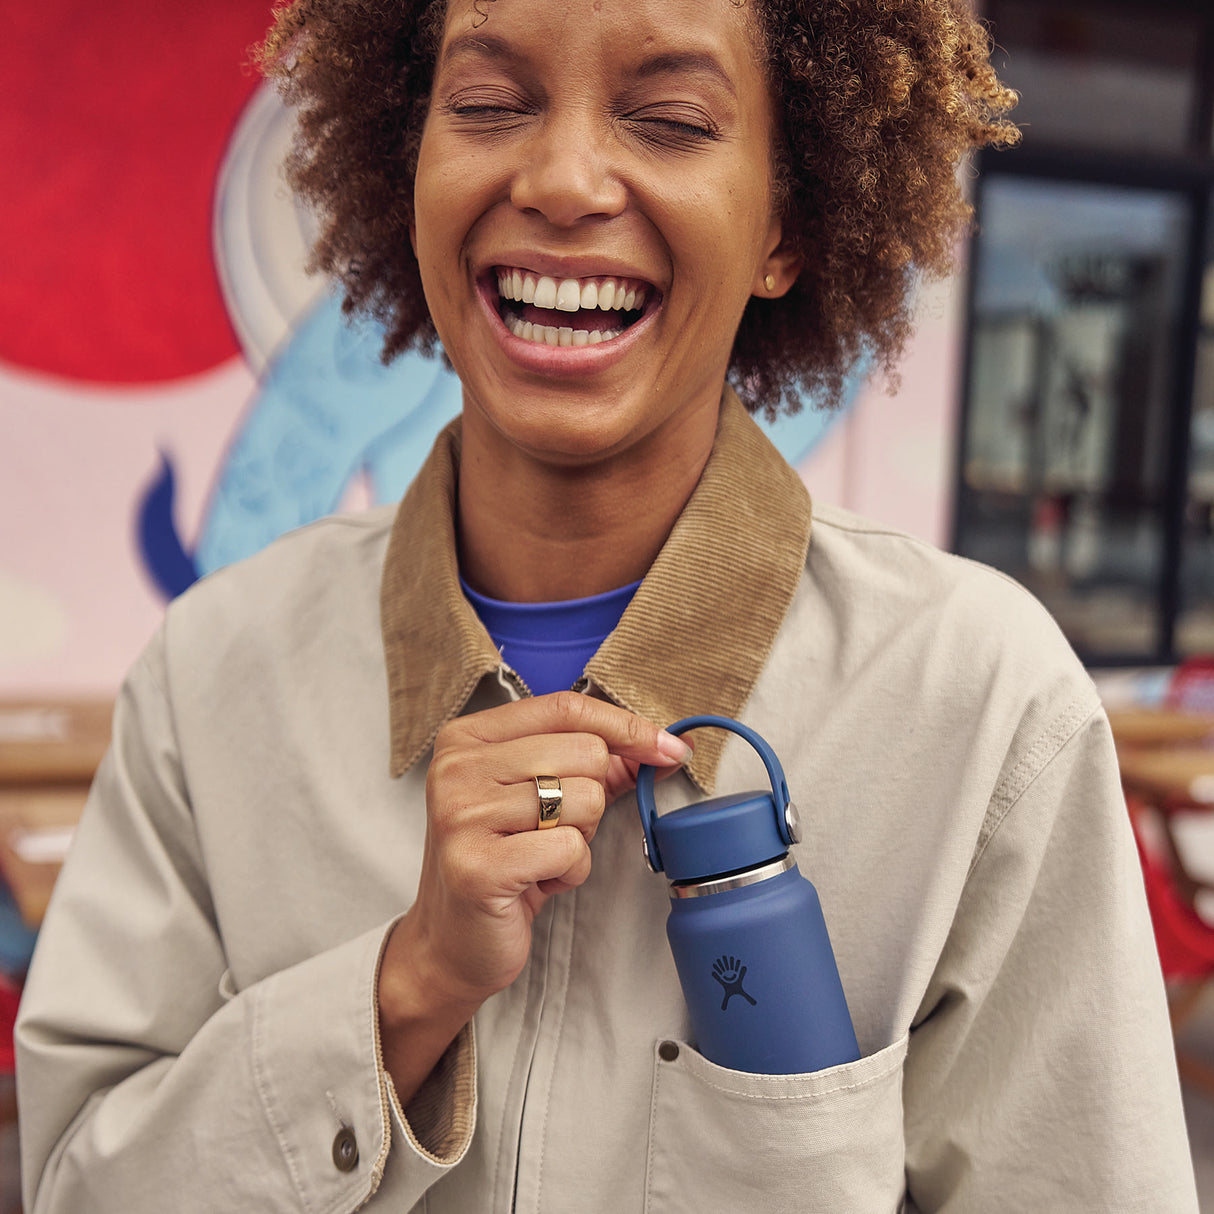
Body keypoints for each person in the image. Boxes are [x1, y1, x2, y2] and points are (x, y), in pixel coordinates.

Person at [15, 0, 1199, 1208]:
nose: (564, 177)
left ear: (783, 226)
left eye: (671, 119)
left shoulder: (980, 705)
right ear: (406, 165)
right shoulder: (212, 676)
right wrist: (403, 985)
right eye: (485, 105)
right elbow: (74, 1181)